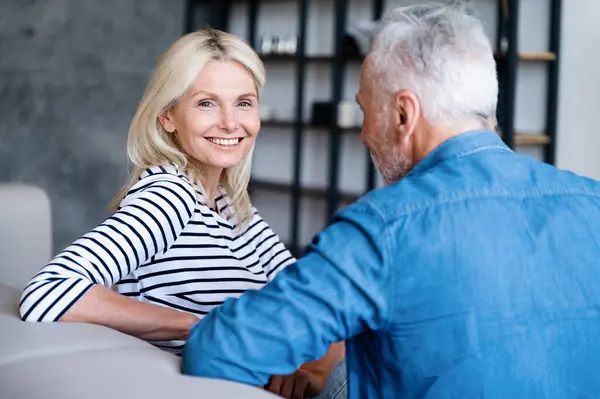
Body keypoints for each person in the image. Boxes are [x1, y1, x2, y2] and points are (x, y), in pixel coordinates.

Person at [180, 2, 600, 399]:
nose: (363, 136)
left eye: (365, 111)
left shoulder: (383, 229)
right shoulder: (592, 201)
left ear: (404, 114)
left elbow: (219, 350)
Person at [18, 29, 345, 399]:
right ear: (168, 117)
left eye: (243, 102)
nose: (230, 122)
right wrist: (209, 330)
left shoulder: (229, 204)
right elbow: (48, 291)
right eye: (207, 103)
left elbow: (311, 302)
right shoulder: (168, 196)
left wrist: (310, 372)